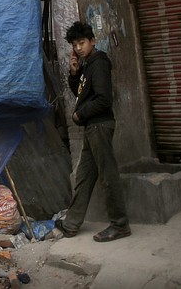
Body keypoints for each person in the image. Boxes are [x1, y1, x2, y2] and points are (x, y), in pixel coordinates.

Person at [55, 21, 131, 242]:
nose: (78, 48)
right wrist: (74, 73)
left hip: (99, 125)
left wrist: (80, 114)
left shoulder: (99, 63)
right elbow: (81, 93)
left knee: (108, 176)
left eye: (82, 43)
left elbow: (103, 99)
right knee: (84, 177)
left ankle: (120, 225)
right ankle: (71, 224)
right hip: (92, 127)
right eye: (75, 44)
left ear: (92, 41)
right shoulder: (87, 65)